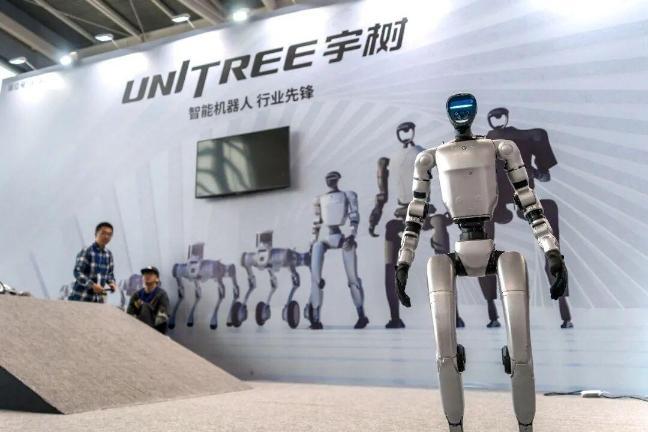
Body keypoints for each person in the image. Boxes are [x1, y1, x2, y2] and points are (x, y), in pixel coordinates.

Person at [68, 222, 117, 302]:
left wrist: (112, 283)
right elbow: (77, 272)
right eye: (103, 233)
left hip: (97, 300)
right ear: (96, 234)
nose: (106, 236)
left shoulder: (109, 254)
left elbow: (110, 274)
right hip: (81, 297)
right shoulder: (87, 250)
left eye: (109, 234)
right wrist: (92, 285)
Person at [127, 266, 170, 334]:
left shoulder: (161, 295)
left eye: (151, 274)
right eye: (145, 274)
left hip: (154, 332)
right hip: (136, 330)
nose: (147, 276)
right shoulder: (137, 295)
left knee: (145, 307)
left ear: (157, 279)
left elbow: (162, 318)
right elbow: (129, 314)